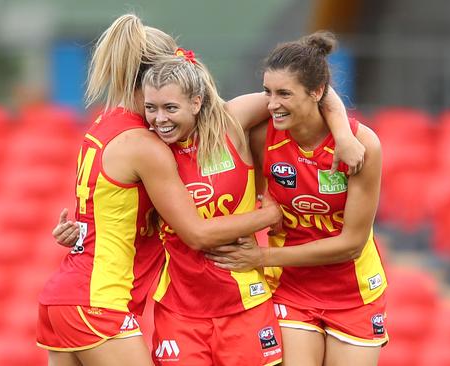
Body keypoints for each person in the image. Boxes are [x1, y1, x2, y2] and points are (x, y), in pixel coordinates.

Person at [37, 14, 285, 366]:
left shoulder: (103, 123)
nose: (162, 116)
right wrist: (268, 216)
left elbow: (109, 207)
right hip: (98, 298)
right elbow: (197, 233)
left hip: (65, 296)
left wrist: (80, 231)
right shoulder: (146, 144)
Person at [206, 31, 388, 366]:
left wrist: (261, 256)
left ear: (317, 92)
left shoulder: (362, 146)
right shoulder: (262, 135)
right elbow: (214, 120)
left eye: (284, 94)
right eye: (267, 92)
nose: (272, 103)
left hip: (354, 292)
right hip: (291, 287)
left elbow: (351, 244)